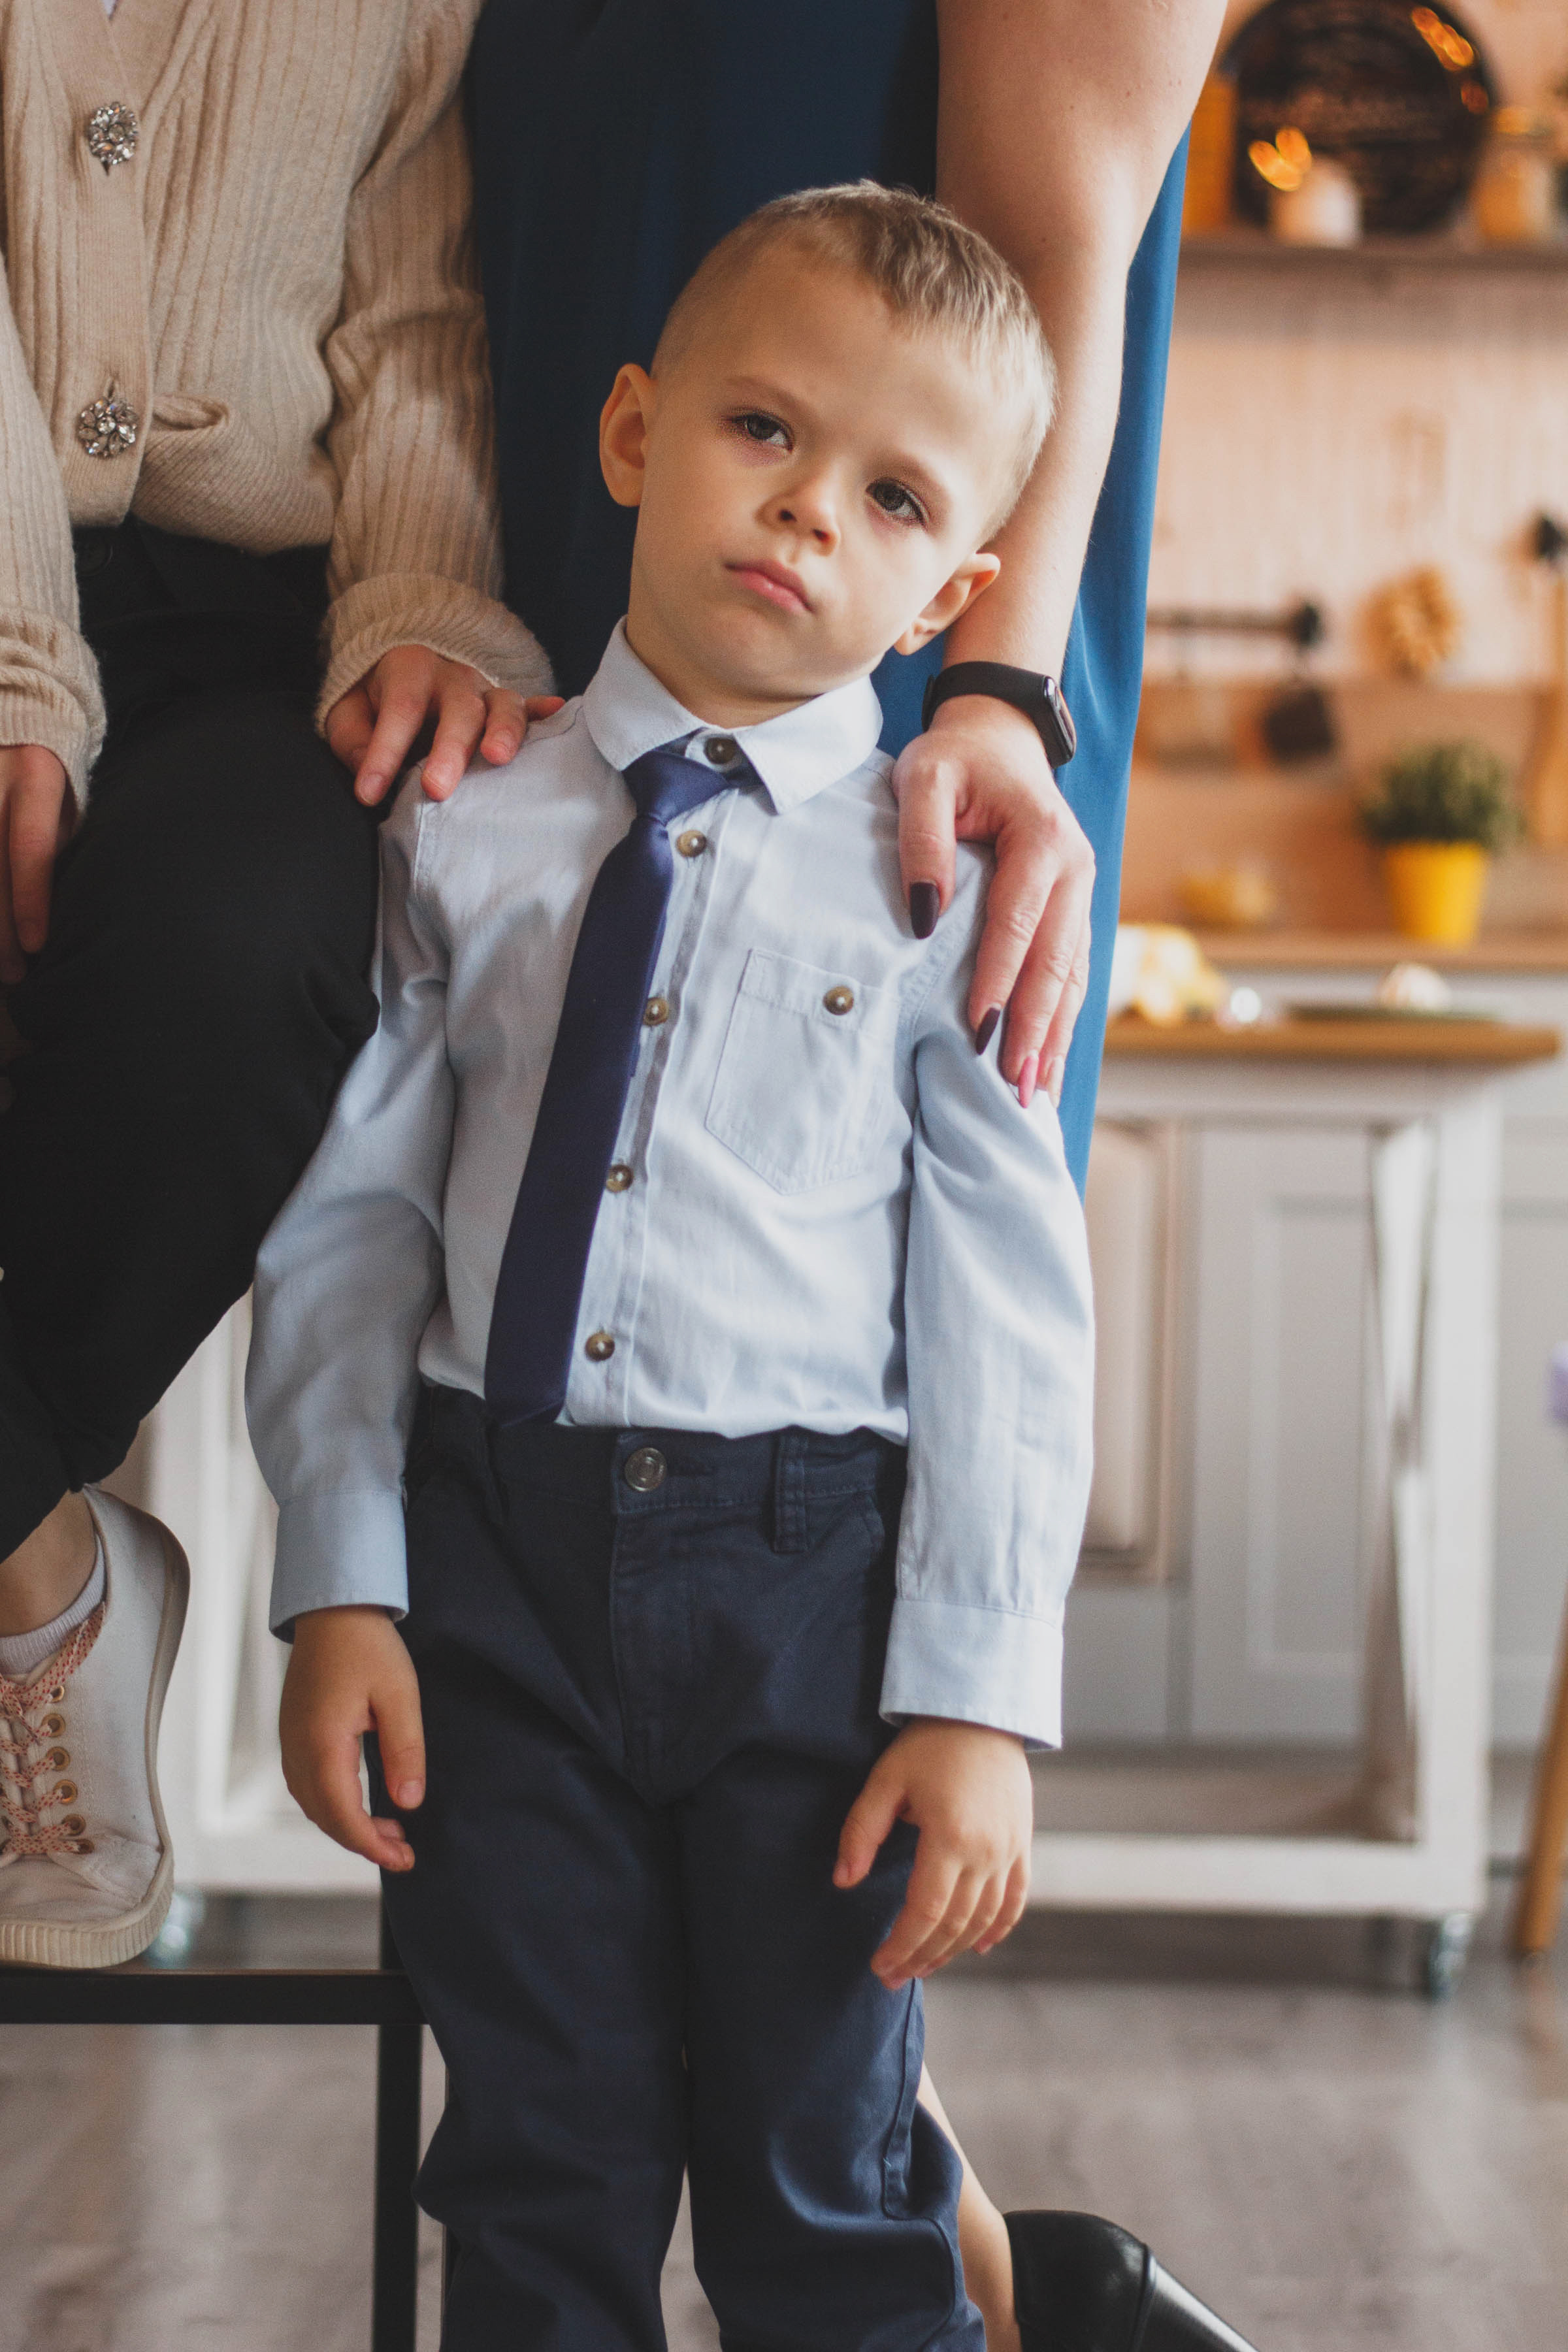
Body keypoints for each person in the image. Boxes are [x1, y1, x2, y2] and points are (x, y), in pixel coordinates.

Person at [250, 186, 1254, 2352]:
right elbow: (349, 1220)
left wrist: (976, 1694)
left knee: (831, 2184)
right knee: (535, 2168)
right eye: (762, 432)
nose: (806, 512)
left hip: (816, 1596)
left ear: (955, 586)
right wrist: (342, 1572)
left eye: (888, 494)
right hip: (496, 1569)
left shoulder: (943, 882)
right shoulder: (466, 827)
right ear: (632, 430)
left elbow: (1006, 1311)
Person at [0, 0, 563, 1964]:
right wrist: (13, 657)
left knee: (252, 952)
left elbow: (412, 319)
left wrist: (417, 604)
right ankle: (41, 1567)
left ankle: (23, 1559)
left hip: (262, 631)